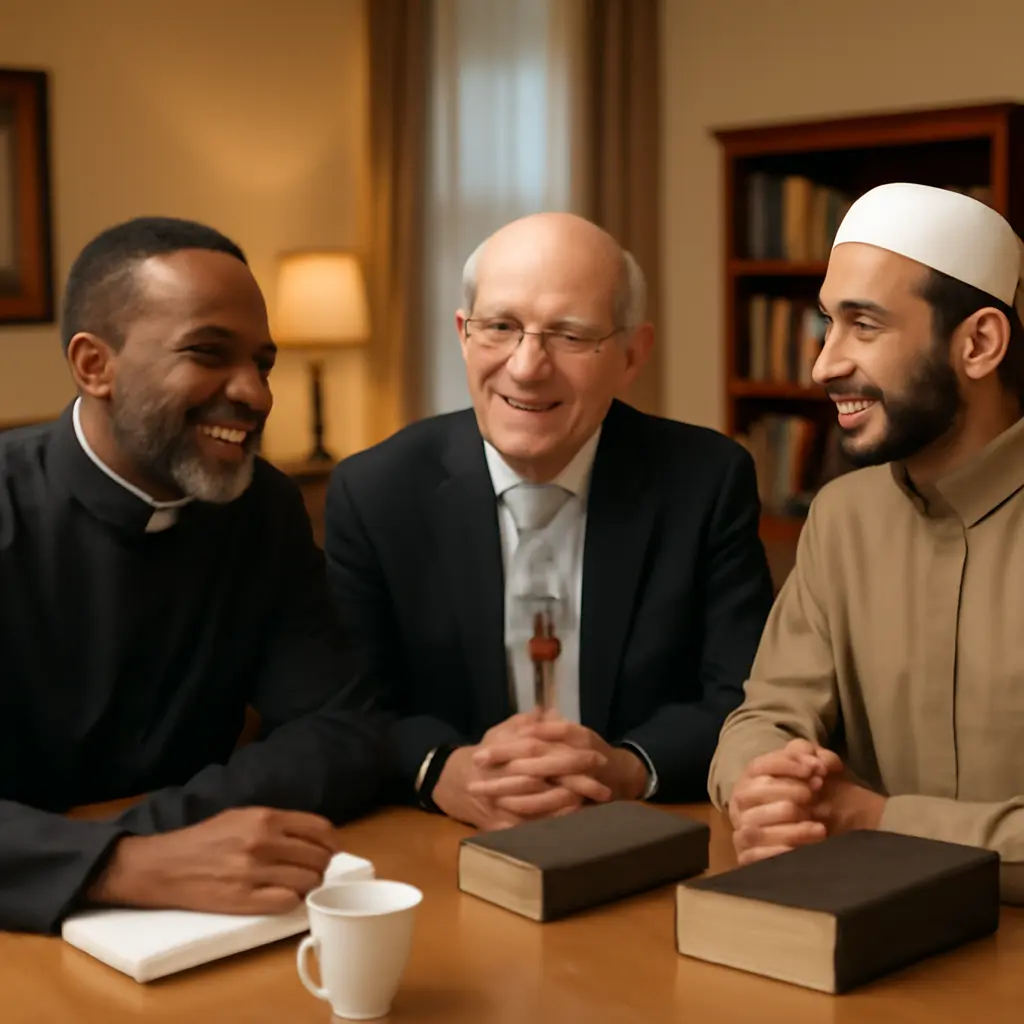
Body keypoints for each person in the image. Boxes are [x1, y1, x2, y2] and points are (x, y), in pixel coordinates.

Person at [324, 212, 773, 829]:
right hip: (442, 838)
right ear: (463, 334)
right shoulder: (376, 491)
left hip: (643, 834)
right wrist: (442, 770)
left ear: (631, 354)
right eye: (501, 327)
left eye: (569, 335)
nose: (528, 366)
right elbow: (345, 703)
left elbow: (743, 695)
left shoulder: (706, 481)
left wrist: (629, 768)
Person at [0, 217, 383, 935]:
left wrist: (157, 834)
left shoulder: (263, 506)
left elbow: (340, 729)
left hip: (205, 914)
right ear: (94, 366)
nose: (256, 394)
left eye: (262, 362)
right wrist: (121, 863)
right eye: (209, 353)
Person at [707, 182, 1024, 902]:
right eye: (828, 322)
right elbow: (763, 717)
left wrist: (882, 821)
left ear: (978, 344)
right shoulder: (842, 517)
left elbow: (864, 819)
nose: (823, 364)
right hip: (857, 939)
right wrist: (764, 787)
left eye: (865, 325)